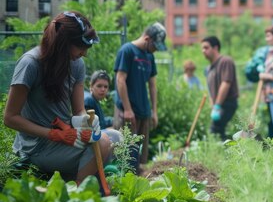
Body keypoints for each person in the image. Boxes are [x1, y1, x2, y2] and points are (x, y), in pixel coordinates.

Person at [3, 11, 109, 182]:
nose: (85, 54)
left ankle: (74, 184)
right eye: (81, 48)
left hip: (65, 138)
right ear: (63, 43)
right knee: (104, 143)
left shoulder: (77, 65)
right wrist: (52, 134)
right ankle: (78, 200)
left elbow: (79, 110)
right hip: (36, 146)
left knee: (116, 138)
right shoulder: (30, 63)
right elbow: (10, 118)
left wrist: (87, 121)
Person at [114, 22, 166, 166]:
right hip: (127, 112)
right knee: (126, 156)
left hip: (144, 111)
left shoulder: (149, 56)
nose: (155, 50)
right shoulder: (127, 51)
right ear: (147, 39)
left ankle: (140, 186)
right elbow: (120, 79)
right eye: (155, 46)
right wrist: (128, 109)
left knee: (141, 158)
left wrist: (154, 111)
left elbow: (152, 84)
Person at [202, 36, 239, 141]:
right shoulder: (209, 68)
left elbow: (226, 83)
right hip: (217, 105)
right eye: (202, 48)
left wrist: (217, 105)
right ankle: (226, 153)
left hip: (227, 103)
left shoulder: (225, 61)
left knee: (214, 130)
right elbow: (210, 89)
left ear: (215, 48)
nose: (203, 51)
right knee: (219, 131)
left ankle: (220, 152)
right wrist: (212, 105)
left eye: (206, 48)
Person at [85, 70, 122, 144]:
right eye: (99, 86)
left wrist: (112, 120)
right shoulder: (89, 101)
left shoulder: (95, 100)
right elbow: (90, 129)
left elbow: (101, 121)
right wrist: (111, 129)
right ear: (91, 86)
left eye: (106, 87)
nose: (103, 89)